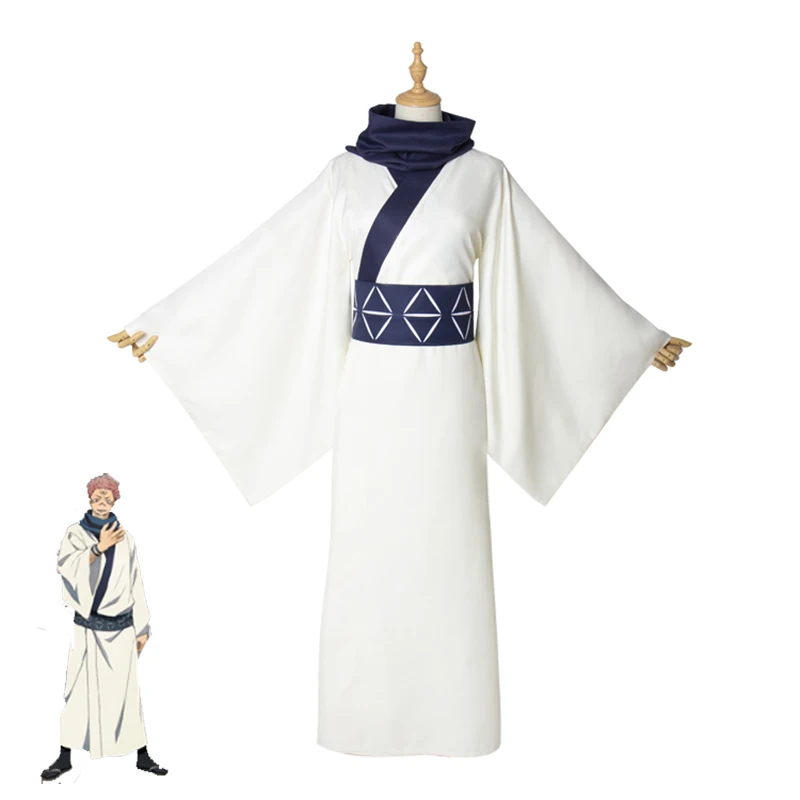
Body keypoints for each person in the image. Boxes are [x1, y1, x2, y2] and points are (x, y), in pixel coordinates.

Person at [41, 473, 167, 780]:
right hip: (87, 629)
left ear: (114, 501)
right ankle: (64, 757)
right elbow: (65, 566)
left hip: (121, 629)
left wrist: (142, 627)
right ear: (89, 499)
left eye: (107, 498)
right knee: (77, 693)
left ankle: (142, 756)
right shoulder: (75, 533)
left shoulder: (127, 538)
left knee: (127, 696)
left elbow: (135, 581)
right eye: (97, 497)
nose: (101, 503)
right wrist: (98, 548)